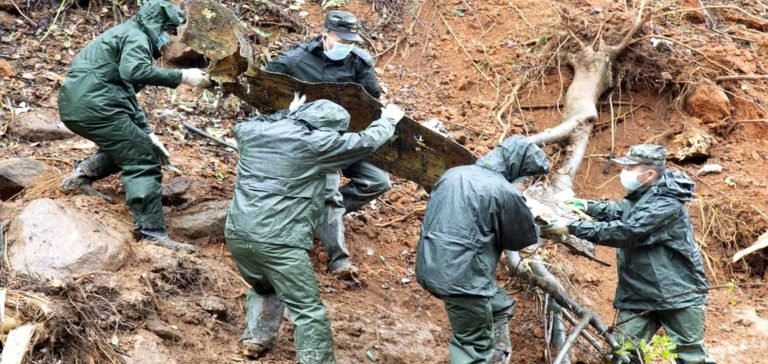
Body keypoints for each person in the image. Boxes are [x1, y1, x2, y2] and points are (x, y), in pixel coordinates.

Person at [225, 98, 405, 363]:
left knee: (264, 287)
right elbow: (365, 141)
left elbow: (247, 124)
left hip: (238, 234)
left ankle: (255, 340)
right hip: (280, 241)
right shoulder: (315, 144)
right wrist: (388, 119)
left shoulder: (252, 132)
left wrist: (288, 113)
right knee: (308, 310)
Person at [57, 0, 210, 252]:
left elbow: (125, 92)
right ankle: (151, 232)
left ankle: (79, 178)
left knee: (129, 144)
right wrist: (183, 76)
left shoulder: (126, 33)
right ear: (157, 24)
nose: (169, 39)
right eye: (168, 31)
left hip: (81, 106)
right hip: (97, 107)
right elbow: (135, 72)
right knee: (143, 159)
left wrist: (147, 132)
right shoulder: (137, 37)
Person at [543, 144, 715, 364]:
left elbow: (628, 231)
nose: (624, 172)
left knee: (691, 357)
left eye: (630, 167)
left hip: (677, 293)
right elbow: (621, 210)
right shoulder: (647, 192)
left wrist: (571, 227)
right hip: (639, 293)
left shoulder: (666, 202)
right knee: (623, 354)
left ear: (649, 173)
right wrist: (587, 206)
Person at [264, 10, 387, 276]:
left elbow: (372, 104)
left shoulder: (359, 63)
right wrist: (286, 117)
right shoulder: (294, 60)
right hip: (310, 141)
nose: (346, 46)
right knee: (329, 192)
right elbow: (263, 90)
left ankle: (314, 216)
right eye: (341, 40)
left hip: (346, 136)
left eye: (351, 41)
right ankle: (338, 259)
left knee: (377, 181)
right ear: (325, 35)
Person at [416, 136, 550, 364]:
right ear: (517, 169)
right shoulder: (504, 191)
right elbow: (519, 240)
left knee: (500, 304)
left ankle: (497, 354)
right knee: (472, 348)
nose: (526, 182)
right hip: (463, 282)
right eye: (527, 177)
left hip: (429, 266)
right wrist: (541, 225)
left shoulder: (452, 174)